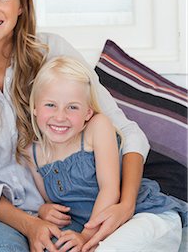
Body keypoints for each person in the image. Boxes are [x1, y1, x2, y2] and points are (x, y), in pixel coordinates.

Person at [0, 0, 152, 252]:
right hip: (1, 214)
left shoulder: (53, 52)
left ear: (21, 5)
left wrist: (125, 204)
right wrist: (30, 224)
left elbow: (128, 132)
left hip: (72, 207)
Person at [27, 56, 187, 251]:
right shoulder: (32, 153)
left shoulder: (97, 127)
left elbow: (110, 189)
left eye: (72, 107)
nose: (60, 116)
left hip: (144, 216)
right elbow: (50, 201)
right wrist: (44, 210)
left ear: (88, 112)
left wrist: (85, 236)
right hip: (101, 232)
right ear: (34, 107)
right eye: (50, 105)